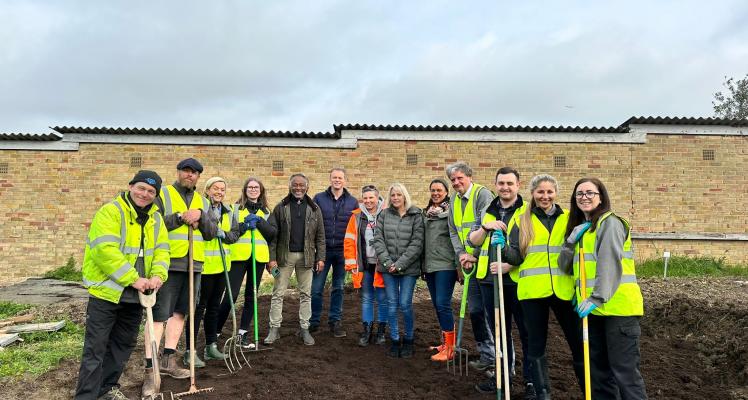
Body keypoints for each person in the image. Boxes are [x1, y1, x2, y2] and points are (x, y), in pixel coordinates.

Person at [75, 170, 169, 400]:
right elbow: (104, 251)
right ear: (130, 186)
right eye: (141, 188)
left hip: (137, 296)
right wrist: (134, 278)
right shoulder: (111, 212)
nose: (145, 194)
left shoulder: (156, 219)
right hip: (107, 293)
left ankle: (107, 389)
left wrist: (158, 276)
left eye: (151, 191)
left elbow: (162, 251)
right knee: (95, 349)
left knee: (122, 347)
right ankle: (86, 396)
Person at [558, 178, 647, 400]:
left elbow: (609, 262)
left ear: (601, 197)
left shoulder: (610, 223)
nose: (584, 197)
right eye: (579, 194)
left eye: (590, 193)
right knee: (598, 374)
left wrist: (596, 297)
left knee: (625, 373)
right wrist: (570, 242)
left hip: (618, 311)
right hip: (593, 312)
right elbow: (564, 267)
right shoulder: (583, 230)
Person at [501, 174, 585, 400]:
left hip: (564, 290)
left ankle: (589, 390)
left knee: (577, 343)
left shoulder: (569, 219)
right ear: (533, 193)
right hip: (532, 293)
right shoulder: (521, 220)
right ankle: (543, 394)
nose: (545, 196)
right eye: (540, 192)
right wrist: (502, 247)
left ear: (556, 193)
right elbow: (516, 258)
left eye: (549, 192)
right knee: (536, 345)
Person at [147, 157, 217, 388]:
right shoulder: (163, 195)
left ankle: (169, 359)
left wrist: (201, 217)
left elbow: (211, 232)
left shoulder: (203, 202)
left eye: (195, 172)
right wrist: (179, 218)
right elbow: (151, 223)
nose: (190, 175)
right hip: (167, 264)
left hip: (193, 265)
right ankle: (151, 367)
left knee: (180, 314)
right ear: (178, 172)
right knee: (159, 315)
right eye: (186, 171)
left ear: (199, 177)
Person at [467, 167, 534, 397]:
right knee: (499, 332)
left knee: (526, 332)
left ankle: (531, 381)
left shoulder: (526, 211)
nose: (505, 187)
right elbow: (472, 240)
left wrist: (510, 265)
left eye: (509, 183)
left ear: (518, 185)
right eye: (501, 183)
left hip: (516, 281)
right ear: (495, 185)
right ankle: (503, 377)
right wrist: (486, 227)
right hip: (489, 280)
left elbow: (532, 247)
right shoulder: (488, 209)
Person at [185, 177, 244, 366]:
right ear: (208, 190)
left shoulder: (227, 211)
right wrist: (212, 229)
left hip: (222, 267)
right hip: (204, 267)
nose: (219, 192)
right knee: (197, 309)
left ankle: (211, 346)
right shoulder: (201, 209)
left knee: (213, 309)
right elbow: (202, 230)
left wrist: (223, 234)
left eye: (222, 189)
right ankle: (190, 351)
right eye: (215, 188)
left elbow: (234, 235)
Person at [445, 161, 496, 371]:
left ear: (470, 176)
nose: (456, 183)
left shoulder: (482, 195)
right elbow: (453, 231)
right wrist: (462, 254)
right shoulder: (454, 201)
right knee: (475, 310)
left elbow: (486, 225)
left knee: (491, 312)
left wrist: (473, 254)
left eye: (460, 178)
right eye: (453, 180)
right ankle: (487, 354)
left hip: (484, 262)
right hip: (468, 262)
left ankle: (500, 356)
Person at [265, 173, 326, 346]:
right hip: (284, 257)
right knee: (277, 293)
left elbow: (321, 236)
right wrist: (272, 259)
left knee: (306, 294)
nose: (298, 188)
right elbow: (273, 236)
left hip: (307, 258)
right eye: (295, 185)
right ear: (290, 186)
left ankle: (304, 329)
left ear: (307, 187)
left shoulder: (315, 209)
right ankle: (274, 329)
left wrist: (320, 258)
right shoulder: (280, 207)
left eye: (301, 185)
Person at [218, 177, 277, 348]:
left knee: (252, 296)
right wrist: (244, 225)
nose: (253, 190)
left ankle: (242, 334)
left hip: (258, 258)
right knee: (232, 294)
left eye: (256, 187)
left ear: (261, 191)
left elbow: (272, 234)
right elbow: (229, 231)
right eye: (250, 187)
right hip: (238, 257)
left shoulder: (266, 212)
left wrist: (259, 222)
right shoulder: (234, 209)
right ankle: (216, 331)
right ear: (245, 190)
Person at [372, 183, 424, 358]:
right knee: (392, 304)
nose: (395, 198)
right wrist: (388, 263)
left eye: (399, 195)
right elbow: (378, 239)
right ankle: (394, 339)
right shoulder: (384, 215)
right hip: (388, 269)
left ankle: (408, 339)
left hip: (408, 269)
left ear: (405, 196)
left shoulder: (416, 214)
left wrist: (400, 264)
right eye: (393, 195)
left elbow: (417, 243)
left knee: (405, 304)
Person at [311, 167, 359, 337]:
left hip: (342, 252)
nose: (337, 180)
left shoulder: (353, 202)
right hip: (322, 251)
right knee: (316, 288)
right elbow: (313, 223)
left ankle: (335, 321)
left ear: (345, 180)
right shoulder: (318, 198)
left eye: (340, 177)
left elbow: (356, 227)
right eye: (334, 177)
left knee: (338, 287)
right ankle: (314, 321)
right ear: (330, 179)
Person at [343, 184, 388, 347]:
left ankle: (381, 332)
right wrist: (351, 264)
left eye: (371, 198)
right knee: (367, 299)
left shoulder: (387, 213)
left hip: (382, 265)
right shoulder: (356, 216)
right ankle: (367, 331)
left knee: (383, 299)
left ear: (378, 198)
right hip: (364, 265)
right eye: (365, 198)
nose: (368, 201)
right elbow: (349, 241)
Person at [422, 178, 458, 362]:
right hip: (430, 265)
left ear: (446, 192)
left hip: (446, 264)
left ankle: (450, 349)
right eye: (433, 190)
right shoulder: (426, 213)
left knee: (443, 303)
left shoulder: (451, 212)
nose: (436, 193)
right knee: (437, 304)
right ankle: (445, 343)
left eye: (439, 190)